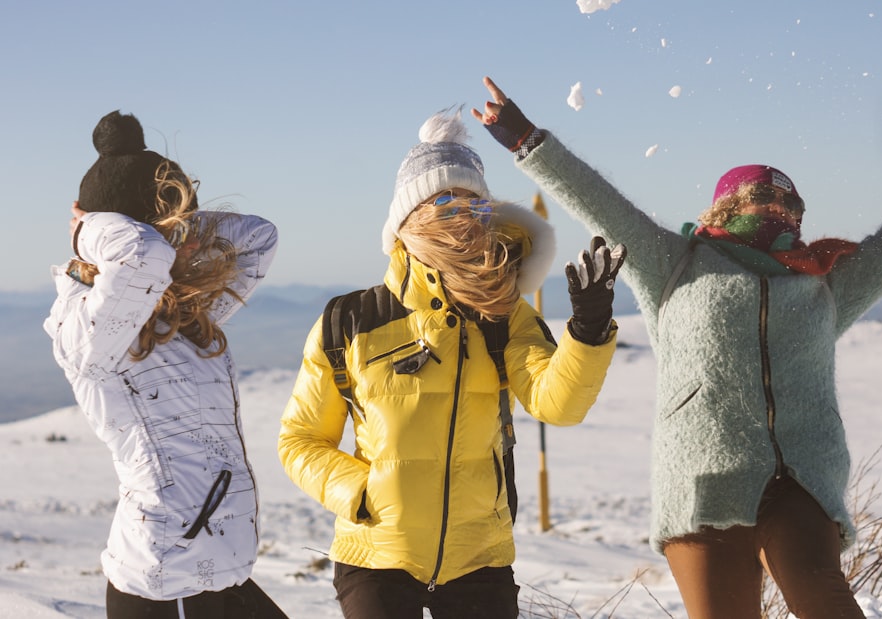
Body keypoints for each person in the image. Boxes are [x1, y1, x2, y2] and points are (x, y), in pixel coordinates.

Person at [473, 77, 882, 619]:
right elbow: (601, 205)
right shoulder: (672, 262)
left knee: (827, 604)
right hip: (701, 483)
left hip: (800, 478)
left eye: (791, 205)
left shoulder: (822, 283)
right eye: (763, 201)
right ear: (725, 207)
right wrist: (524, 138)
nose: (781, 214)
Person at [277, 109, 626, 619]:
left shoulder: (504, 314)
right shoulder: (351, 319)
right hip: (376, 556)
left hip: (478, 559)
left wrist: (588, 331)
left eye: (475, 205)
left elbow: (558, 403)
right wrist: (360, 492)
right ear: (409, 217)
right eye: (444, 200)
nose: (462, 216)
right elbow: (300, 439)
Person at [44, 111, 285, 618]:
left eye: (190, 226)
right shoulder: (92, 332)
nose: (194, 242)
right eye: (176, 230)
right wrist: (87, 227)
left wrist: (183, 222)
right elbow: (140, 253)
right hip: (160, 580)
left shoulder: (189, 315)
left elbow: (260, 236)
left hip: (223, 569)